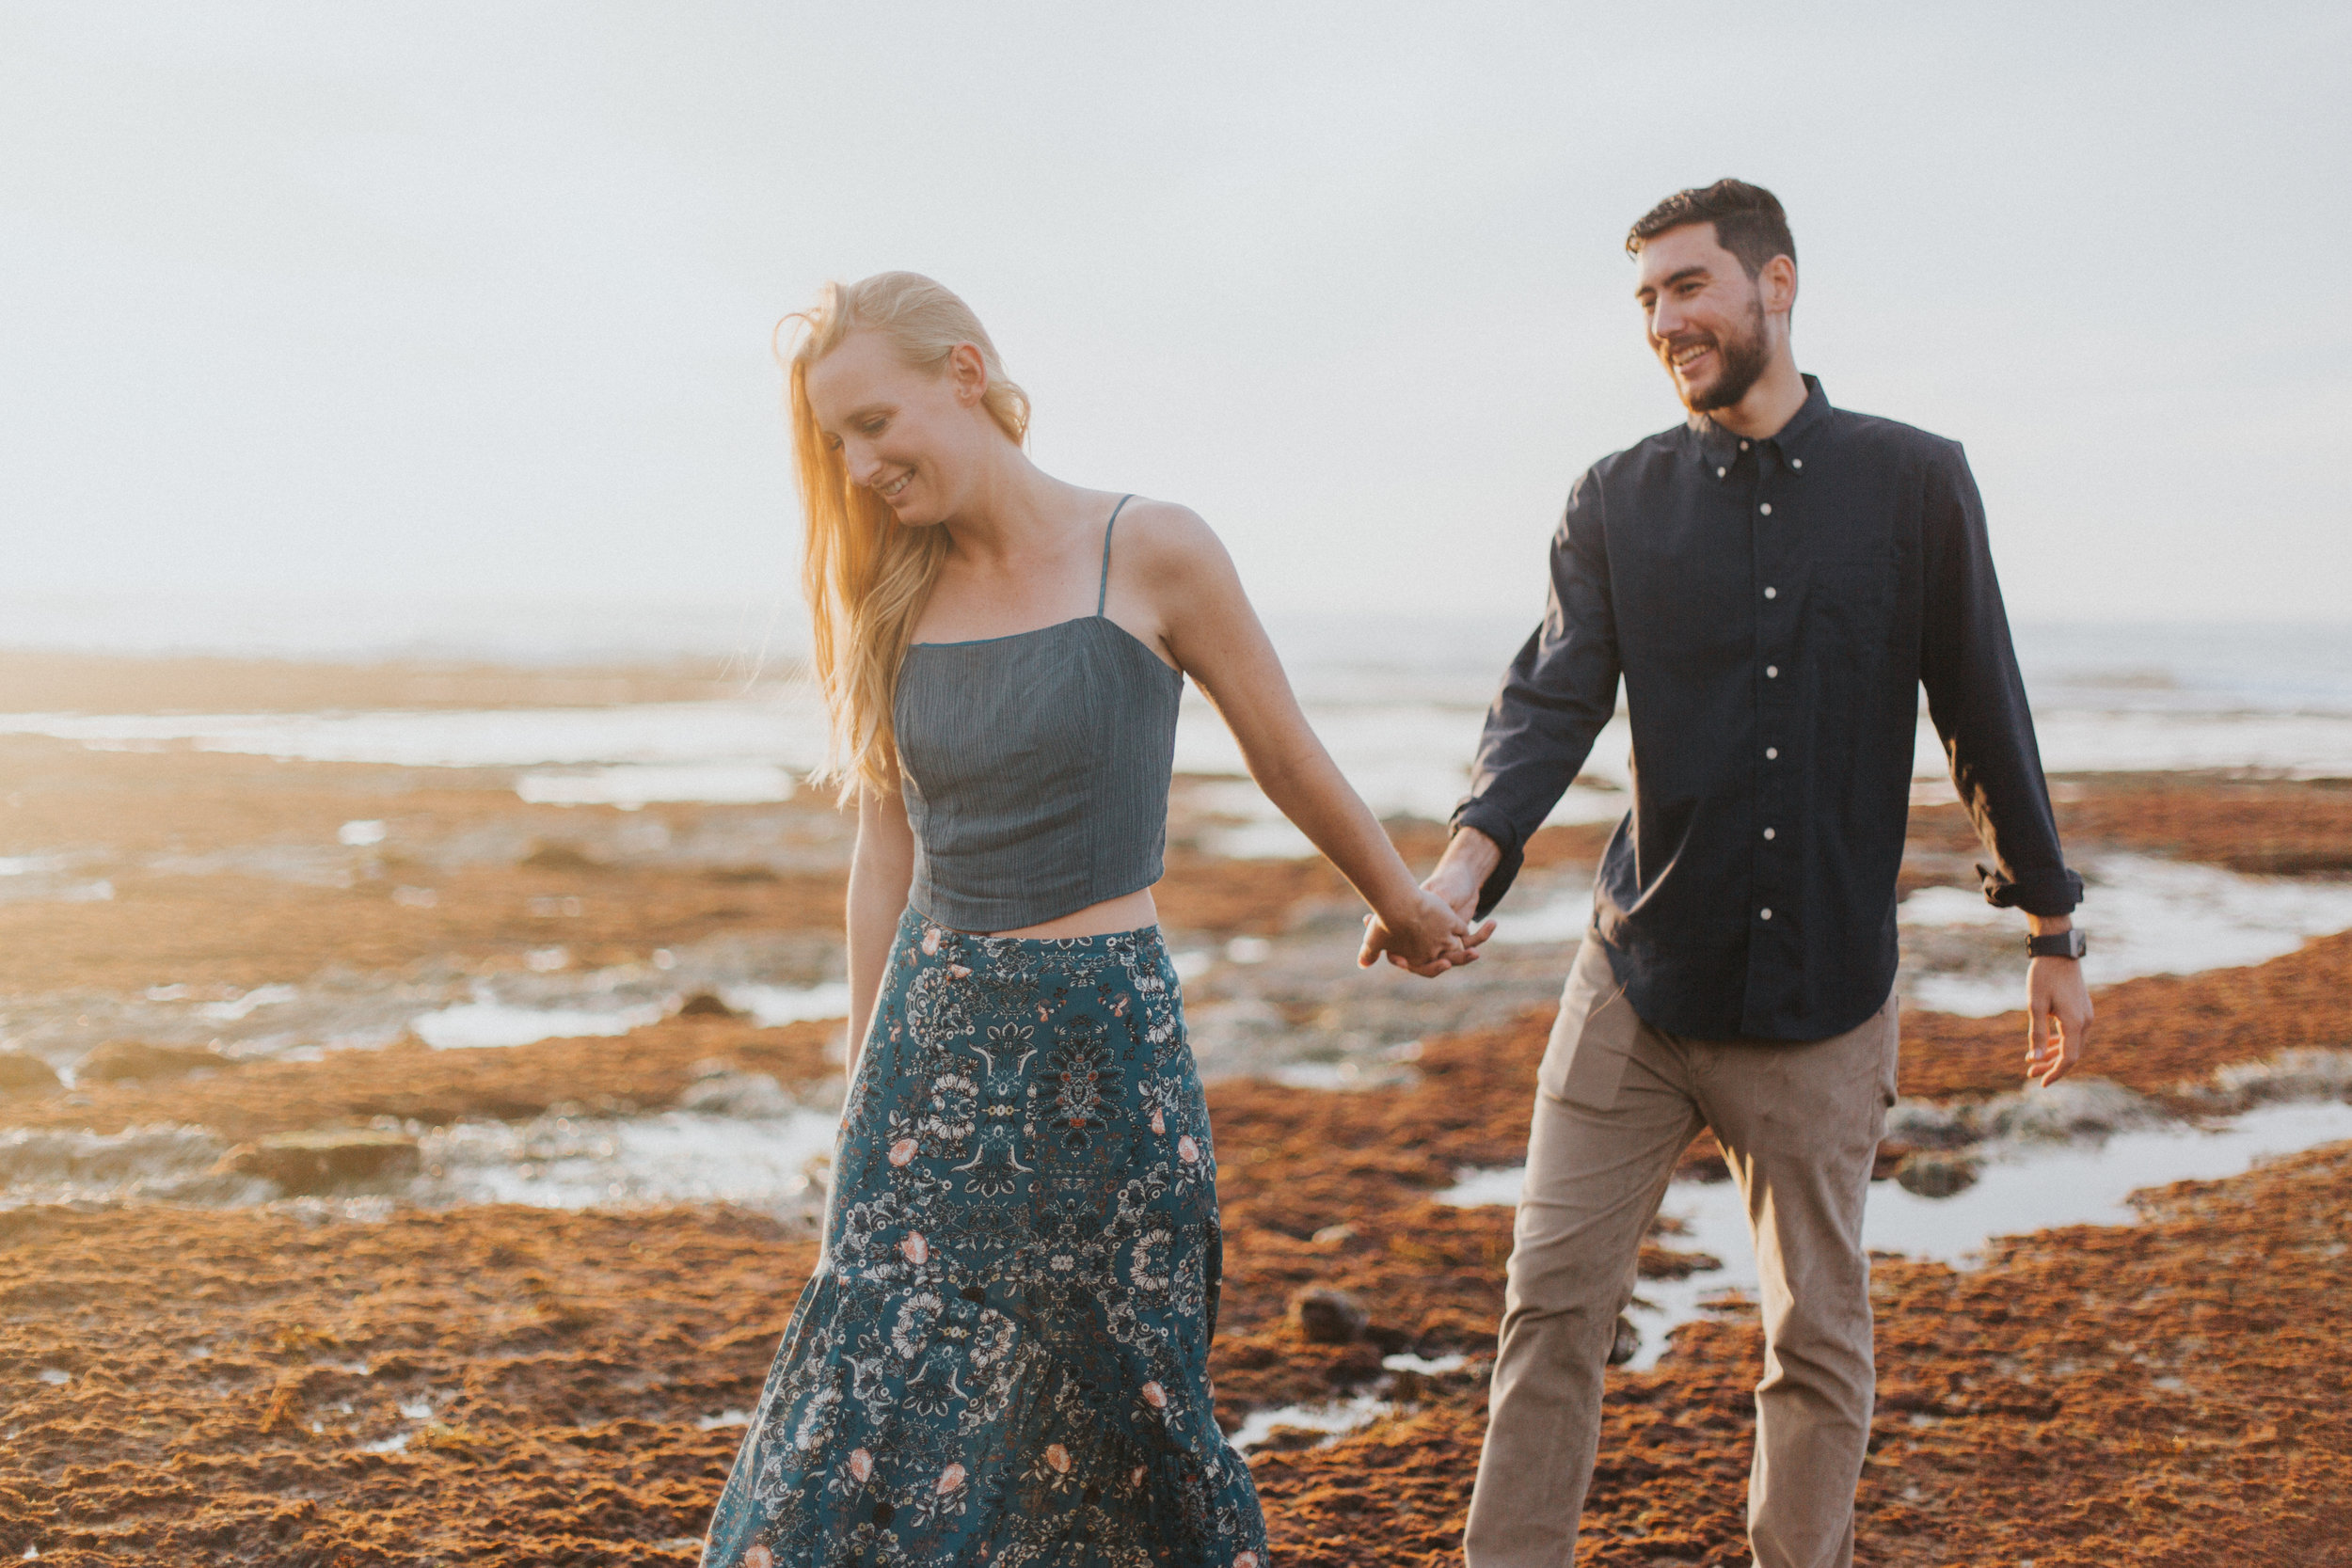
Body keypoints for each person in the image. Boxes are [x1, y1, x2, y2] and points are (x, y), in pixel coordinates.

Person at [702, 271, 1485, 1568]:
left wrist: (1400, 903)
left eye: (875, 423)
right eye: (836, 444)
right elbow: (883, 847)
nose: (859, 466)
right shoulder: (889, 595)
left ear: (965, 372)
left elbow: (1287, 754)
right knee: (870, 1415)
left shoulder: (1153, 548)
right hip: (931, 1066)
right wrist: (860, 1084)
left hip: (1105, 1057)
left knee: (1124, 1414)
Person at [1371, 181, 2096, 1567]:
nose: (1666, 321)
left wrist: (2050, 925)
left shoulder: (1916, 480)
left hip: (1824, 1000)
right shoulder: (1615, 501)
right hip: (1636, 986)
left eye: (1689, 287)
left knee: (1815, 1338)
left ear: (1778, 282)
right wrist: (1468, 861)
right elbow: (1549, 703)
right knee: (1548, 1310)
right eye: (1646, 298)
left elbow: (1982, 709)